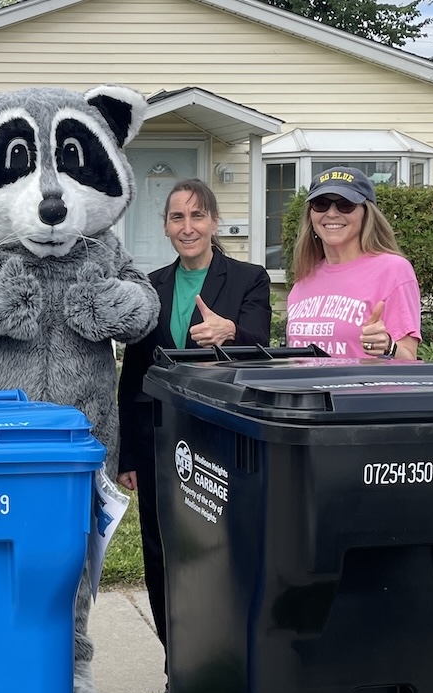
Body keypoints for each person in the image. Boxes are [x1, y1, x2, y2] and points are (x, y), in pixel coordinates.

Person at [116, 178, 271, 666]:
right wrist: (125, 454)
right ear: (165, 226)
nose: (188, 227)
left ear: (214, 222)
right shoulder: (149, 287)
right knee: (161, 551)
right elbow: (134, 374)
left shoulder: (249, 278)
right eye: (177, 217)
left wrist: (231, 331)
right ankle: (175, 659)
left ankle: (218, 653)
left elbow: (262, 350)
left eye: (197, 215)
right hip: (156, 437)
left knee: (215, 547)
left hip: (217, 436)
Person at [286, 167, 421, 360]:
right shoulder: (305, 277)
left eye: (346, 205)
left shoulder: (393, 270)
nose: (331, 213)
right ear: (311, 215)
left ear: (366, 214)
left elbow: (409, 358)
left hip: (362, 390)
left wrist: (388, 347)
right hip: (309, 390)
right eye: (321, 204)